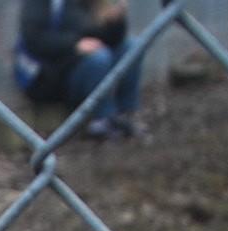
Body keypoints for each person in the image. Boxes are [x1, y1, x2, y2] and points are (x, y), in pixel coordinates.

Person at [13, 0, 142, 140]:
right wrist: (74, 45)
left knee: (131, 46)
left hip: (79, 64)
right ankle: (101, 120)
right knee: (99, 58)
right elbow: (35, 40)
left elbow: (103, 37)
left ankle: (124, 114)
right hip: (46, 77)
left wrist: (115, 21)